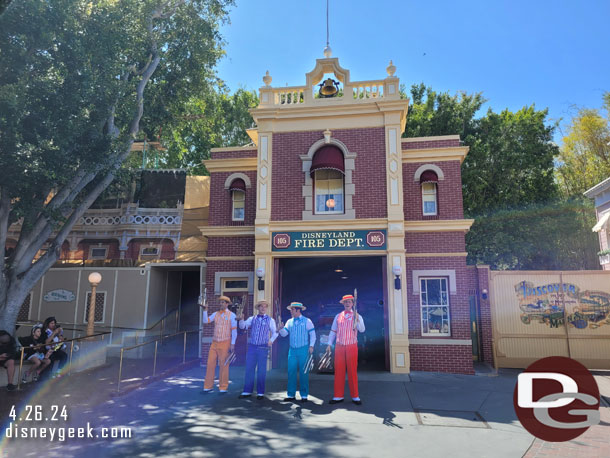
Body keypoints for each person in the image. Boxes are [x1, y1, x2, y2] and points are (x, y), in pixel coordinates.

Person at [326, 294, 365, 405]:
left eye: (349, 302)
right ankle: (338, 396)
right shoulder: (338, 316)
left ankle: (355, 396)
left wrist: (358, 320)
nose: (347, 304)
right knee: (339, 371)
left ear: (353, 303)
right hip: (339, 346)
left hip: (352, 346)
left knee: (352, 371)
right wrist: (329, 343)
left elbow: (362, 330)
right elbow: (333, 331)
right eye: (345, 302)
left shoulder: (357, 316)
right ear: (343, 304)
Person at [237, 299, 278, 400]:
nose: (263, 308)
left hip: (263, 347)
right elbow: (243, 326)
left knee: (261, 371)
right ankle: (247, 391)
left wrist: (271, 340)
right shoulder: (252, 318)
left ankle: (260, 392)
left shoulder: (270, 320)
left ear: (266, 308)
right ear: (258, 308)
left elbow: (276, 332)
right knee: (249, 369)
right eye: (261, 306)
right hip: (252, 347)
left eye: (265, 306)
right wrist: (241, 319)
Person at [278, 302, 316, 403]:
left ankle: (304, 395)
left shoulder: (307, 321)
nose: (291, 311)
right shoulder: (289, 321)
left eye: (292, 310)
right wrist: (280, 329)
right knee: (291, 372)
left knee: (304, 372)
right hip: (292, 350)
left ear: (298, 310)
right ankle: (291, 394)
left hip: (304, 349)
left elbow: (313, 334)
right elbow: (284, 334)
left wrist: (311, 346)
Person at [201, 295, 237, 393]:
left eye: (223, 302)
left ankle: (223, 387)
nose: (221, 304)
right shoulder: (215, 314)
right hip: (214, 342)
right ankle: (208, 386)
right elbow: (206, 321)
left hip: (225, 342)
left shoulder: (232, 315)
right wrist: (205, 310)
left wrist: (232, 344)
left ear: (227, 304)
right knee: (210, 363)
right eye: (220, 302)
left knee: (224, 365)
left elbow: (234, 331)